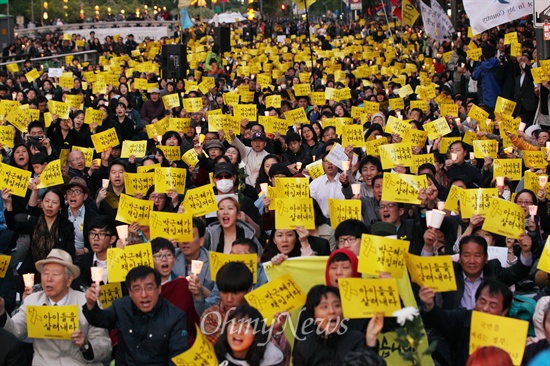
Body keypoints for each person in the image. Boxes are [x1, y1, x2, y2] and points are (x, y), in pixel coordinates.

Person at [0, 249, 112, 365]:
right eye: (46, 273)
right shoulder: (32, 301)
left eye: (55, 274)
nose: (49, 279)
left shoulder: (86, 302)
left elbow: (105, 347)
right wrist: (2, 312)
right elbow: (14, 332)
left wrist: (86, 344)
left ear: (69, 280)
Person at [83, 266, 189, 365]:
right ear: (129, 292)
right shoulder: (121, 307)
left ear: (159, 289)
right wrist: (91, 304)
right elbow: (99, 319)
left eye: (149, 288)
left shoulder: (175, 316)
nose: (144, 295)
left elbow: (178, 357)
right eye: (137, 289)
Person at [420, 278, 514, 366]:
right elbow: (442, 318)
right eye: (482, 301)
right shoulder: (464, 317)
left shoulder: (511, 332)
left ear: (504, 311)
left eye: (492, 305)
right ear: (476, 300)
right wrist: (430, 305)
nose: (485, 308)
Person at [292, 285, 383, 366]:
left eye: (337, 305)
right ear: (313, 314)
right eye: (324, 307)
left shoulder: (358, 340)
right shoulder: (304, 347)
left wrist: (371, 340)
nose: (332, 311)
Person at [441, 235, 532, 310]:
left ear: (486, 258)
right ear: (459, 258)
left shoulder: (493, 269)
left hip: (487, 327)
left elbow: (516, 273)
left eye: (477, 255)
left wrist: (526, 252)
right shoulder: (450, 271)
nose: (472, 261)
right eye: (466, 255)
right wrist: (428, 246)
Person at [151, 237, 200, 345]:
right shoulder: (146, 288)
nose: (164, 259)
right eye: (159, 256)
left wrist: (197, 295)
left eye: (168, 255)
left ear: (174, 259)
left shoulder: (182, 284)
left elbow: (192, 319)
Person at [214, 304, 285, 366]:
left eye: (247, 327)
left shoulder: (271, 359)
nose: (239, 331)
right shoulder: (214, 356)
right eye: (235, 325)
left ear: (257, 335)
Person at [201, 261, 253, 345]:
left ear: (248, 290)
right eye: (224, 292)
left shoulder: (260, 314)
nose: (229, 299)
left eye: (235, 293)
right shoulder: (210, 316)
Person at [76, 215, 117, 288]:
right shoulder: (85, 261)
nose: (95, 238)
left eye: (101, 234)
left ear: (112, 239)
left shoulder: (121, 258)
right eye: (92, 233)